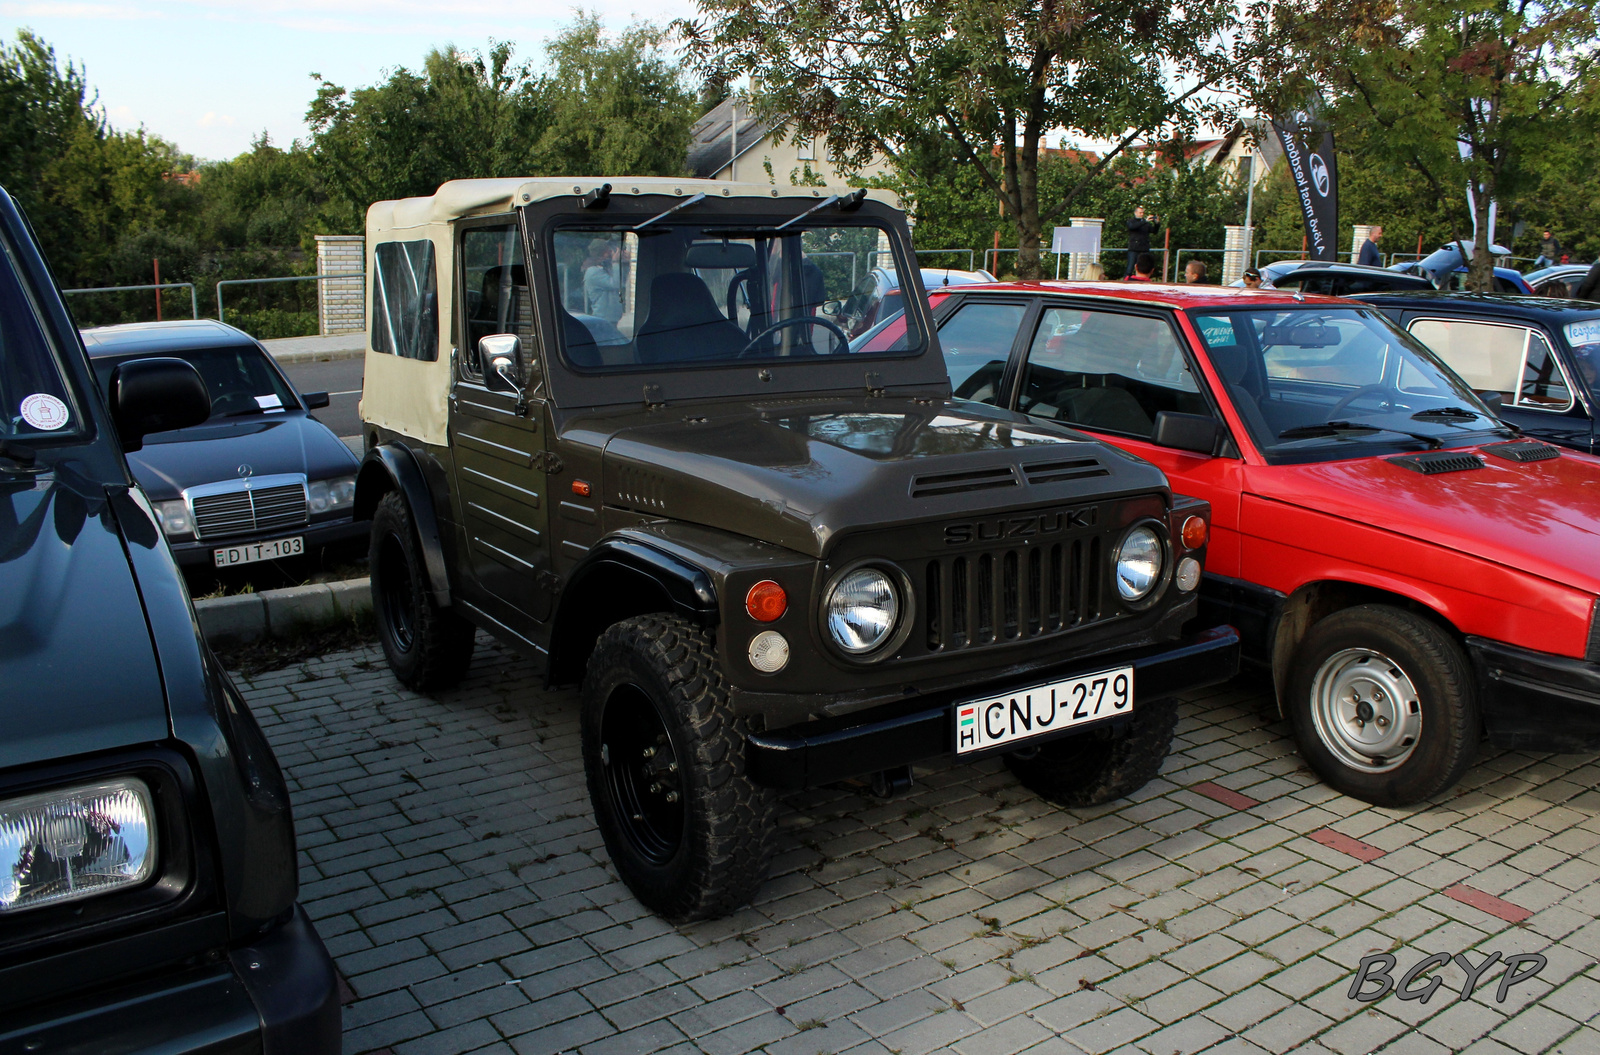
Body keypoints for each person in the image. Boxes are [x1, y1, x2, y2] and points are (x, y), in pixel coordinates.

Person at [582, 239, 624, 323]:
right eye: (608, 250)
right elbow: (616, 284)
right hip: (603, 318)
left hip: (611, 317)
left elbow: (622, 282)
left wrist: (624, 263)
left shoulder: (604, 268)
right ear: (603, 253)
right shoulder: (593, 271)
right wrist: (616, 262)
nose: (611, 252)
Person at [1125, 206, 1159, 275]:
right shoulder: (1131, 221)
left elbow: (1154, 231)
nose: (1142, 214)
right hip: (1134, 249)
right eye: (1140, 212)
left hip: (1144, 249)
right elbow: (1132, 227)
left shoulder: (1145, 223)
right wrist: (1144, 221)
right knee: (1130, 269)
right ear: (1135, 213)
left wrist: (1157, 224)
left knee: (1145, 269)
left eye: (1143, 213)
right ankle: (1125, 282)